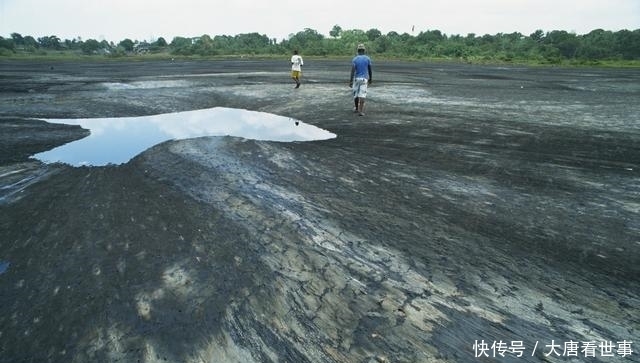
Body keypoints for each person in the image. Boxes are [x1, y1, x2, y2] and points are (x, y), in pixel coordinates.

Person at [349, 43, 372, 116]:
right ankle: (360, 111)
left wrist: (350, 81)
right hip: (364, 79)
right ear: (364, 50)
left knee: (356, 94)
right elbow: (370, 69)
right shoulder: (367, 58)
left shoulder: (355, 59)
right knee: (362, 95)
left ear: (358, 51)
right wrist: (371, 78)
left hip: (356, 78)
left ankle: (356, 108)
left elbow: (352, 70)